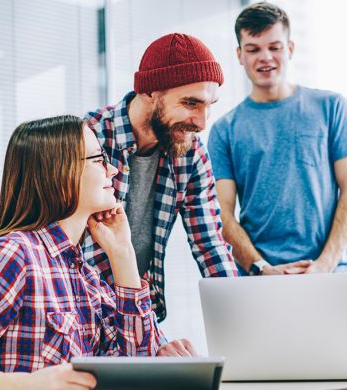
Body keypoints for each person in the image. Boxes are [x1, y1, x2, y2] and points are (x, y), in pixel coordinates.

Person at [0, 115, 164, 389]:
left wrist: (123, 254)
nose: (112, 170)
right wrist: (20, 385)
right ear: (60, 170)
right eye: (99, 160)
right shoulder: (13, 255)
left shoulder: (84, 275)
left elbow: (139, 369)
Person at [83, 33, 238, 323]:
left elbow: (211, 245)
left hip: (138, 315)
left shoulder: (191, 154)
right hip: (79, 315)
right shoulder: (86, 140)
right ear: (149, 91)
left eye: (209, 105)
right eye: (191, 103)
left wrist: (241, 321)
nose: (202, 123)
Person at [208, 2, 347, 276]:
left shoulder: (332, 108)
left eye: (274, 47)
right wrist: (261, 268)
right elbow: (221, 212)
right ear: (239, 55)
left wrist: (325, 264)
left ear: (290, 49)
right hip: (261, 277)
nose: (265, 57)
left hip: (331, 272)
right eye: (253, 49)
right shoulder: (224, 130)